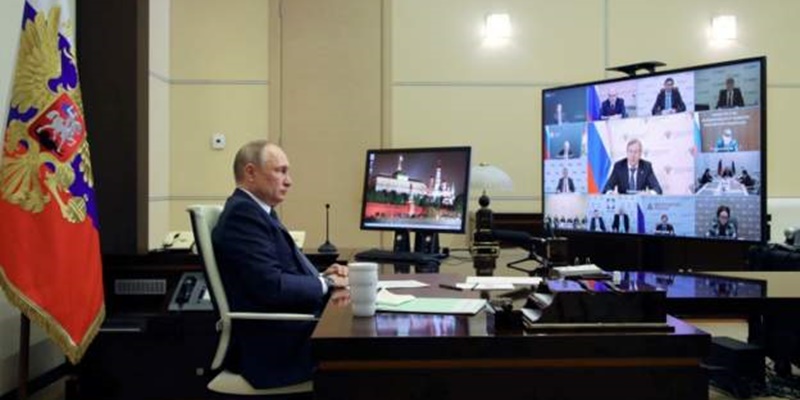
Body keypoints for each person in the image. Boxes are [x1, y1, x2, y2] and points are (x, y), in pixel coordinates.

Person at [212, 140, 349, 389]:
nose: (289, 181)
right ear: (251, 172)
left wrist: (320, 276)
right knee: (366, 350)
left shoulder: (259, 212)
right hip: (275, 348)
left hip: (288, 332)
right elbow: (272, 287)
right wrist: (326, 283)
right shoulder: (243, 215)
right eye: (280, 171)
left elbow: (277, 272)